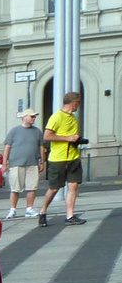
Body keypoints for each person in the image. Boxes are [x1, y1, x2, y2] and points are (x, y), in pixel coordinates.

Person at [39, 91, 86, 227]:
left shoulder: (73, 118)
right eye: (78, 104)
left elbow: (72, 137)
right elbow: (47, 136)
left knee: (73, 186)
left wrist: (77, 140)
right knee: (54, 188)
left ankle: (70, 215)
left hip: (73, 157)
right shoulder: (57, 117)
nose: (78, 107)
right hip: (58, 158)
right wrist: (67, 138)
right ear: (74, 103)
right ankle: (43, 212)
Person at [1, 108, 44, 219]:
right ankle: (12, 209)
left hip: (33, 163)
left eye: (35, 117)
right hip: (16, 164)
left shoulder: (37, 131)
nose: (34, 118)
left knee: (32, 187)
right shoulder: (14, 131)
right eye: (32, 116)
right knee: (15, 188)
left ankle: (29, 208)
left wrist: (42, 161)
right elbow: (7, 147)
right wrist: (4, 163)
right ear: (24, 117)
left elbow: (41, 147)